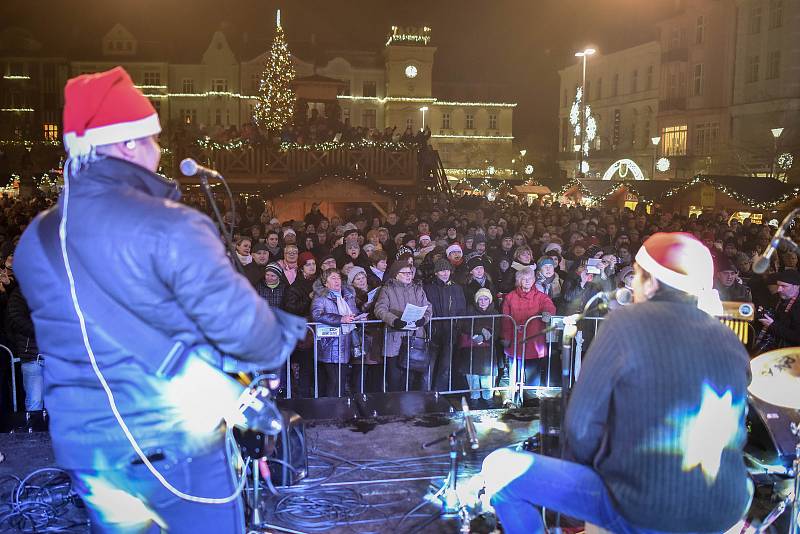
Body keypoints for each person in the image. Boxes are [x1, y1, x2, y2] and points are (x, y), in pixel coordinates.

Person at [14, 67, 305, 533]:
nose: (159, 150)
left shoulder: (37, 237)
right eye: (152, 138)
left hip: (87, 453)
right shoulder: (172, 225)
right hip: (174, 447)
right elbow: (254, 341)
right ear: (129, 143)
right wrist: (285, 328)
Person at [482, 232, 752, 534]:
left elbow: (580, 426)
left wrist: (587, 478)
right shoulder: (729, 339)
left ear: (651, 282)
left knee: (500, 470)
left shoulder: (627, 323)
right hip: (726, 505)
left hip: (643, 507)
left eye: (636, 275)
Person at [373, 260, 432, 391]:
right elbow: (380, 309)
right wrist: (394, 320)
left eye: (410, 273)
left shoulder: (418, 289)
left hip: (414, 339)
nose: (408, 275)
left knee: (410, 378)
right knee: (394, 379)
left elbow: (428, 308)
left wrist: (424, 319)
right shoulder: (387, 289)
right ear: (395, 274)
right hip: (395, 338)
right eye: (404, 273)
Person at [500, 266, 556, 401]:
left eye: (530, 278)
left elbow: (549, 306)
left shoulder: (541, 296)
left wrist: (547, 313)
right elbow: (505, 319)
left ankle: (530, 397)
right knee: (515, 371)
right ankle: (515, 396)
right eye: (523, 279)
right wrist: (506, 337)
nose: (527, 281)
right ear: (518, 280)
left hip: (534, 340)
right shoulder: (510, 297)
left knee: (533, 372)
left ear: (534, 280)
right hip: (516, 340)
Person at [311, 269, 362, 397]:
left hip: (346, 342)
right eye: (333, 278)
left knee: (341, 379)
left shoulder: (348, 296)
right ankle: (331, 409)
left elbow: (353, 312)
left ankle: (338, 408)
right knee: (334, 380)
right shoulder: (321, 297)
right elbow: (316, 315)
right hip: (330, 343)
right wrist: (340, 319)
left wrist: (359, 317)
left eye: (338, 278)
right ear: (325, 283)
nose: (337, 280)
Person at [423, 258, 467, 392]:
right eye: (442, 270)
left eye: (447, 270)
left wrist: (457, 327)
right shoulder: (428, 288)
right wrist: (428, 327)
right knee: (428, 365)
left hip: (450, 332)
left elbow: (461, 309)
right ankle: (426, 392)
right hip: (433, 331)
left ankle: (439, 393)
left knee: (445, 365)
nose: (445, 273)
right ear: (436, 272)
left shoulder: (457, 288)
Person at [456, 288, 500, 408]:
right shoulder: (469, 311)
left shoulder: (495, 313)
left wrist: (486, 336)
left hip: (487, 350)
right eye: (480, 299)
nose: (483, 302)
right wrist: (479, 331)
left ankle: (488, 398)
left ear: (490, 300)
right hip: (472, 350)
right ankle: (474, 398)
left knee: (487, 376)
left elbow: (497, 330)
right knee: (473, 376)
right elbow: (465, 325)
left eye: (486, 299)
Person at [757, 269, 800, 350]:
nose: (779, 289)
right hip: (773, 343)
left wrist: (773, 325)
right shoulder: (777, 297)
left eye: (784, 286)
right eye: (778, 285)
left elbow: (797, 337)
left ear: (796, 286)